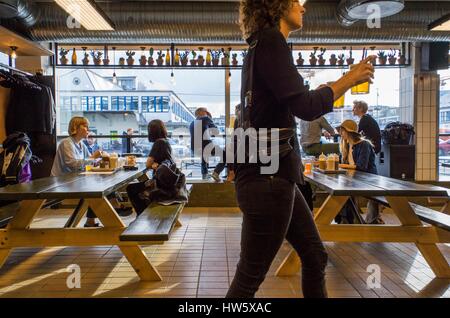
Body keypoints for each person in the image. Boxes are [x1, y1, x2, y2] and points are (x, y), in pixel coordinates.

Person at [228, 0, 375, 298]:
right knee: (250, 276)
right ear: (277, 4)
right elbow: (306, 107)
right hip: (269, 179)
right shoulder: (272, 41)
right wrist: (349, 79)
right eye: (296, 1)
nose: (303, 7)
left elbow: (295, 101)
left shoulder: (259, 45)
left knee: (314, 256)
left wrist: (334, 84)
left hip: (270, 175)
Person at [126, 120, 187, 215]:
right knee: (136, 187)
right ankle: (143, 214)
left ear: (151, 132)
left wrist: (154, 164)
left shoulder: (159, 143)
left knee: (131, 188)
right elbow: (152, 163)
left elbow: (148, 164)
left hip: (163, 187)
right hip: (170, 184)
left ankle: (142, 215)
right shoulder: (165, 141)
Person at [51, 117, 102, 227]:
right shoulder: (66, 143)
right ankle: (114, 207)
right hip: (62, 182)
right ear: (76, 128)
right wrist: (93, 157)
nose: (87, 129)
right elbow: (73, 164)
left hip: (74, 180)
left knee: (100, 186)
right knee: (97, 188)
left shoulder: (81, 144)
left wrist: (98, 161)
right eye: (84, 126)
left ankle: (91, 220)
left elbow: (88, 162)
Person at [337, 119, 383, 224]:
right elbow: (344, 165)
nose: (340, 134)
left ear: (349, 132)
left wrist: (340, 165)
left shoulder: (364, 144)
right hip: (354, 179)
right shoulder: (346, 145)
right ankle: (350, 220)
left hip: (369, 180)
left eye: (342, 131)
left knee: (345, 190)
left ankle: (371, 221)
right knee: (342, 190)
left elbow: (362, 166)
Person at [189, 107, 226, 181]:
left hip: (195, 148)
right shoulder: (205, 118)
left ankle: (204, 175)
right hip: (205, 147)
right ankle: (216, 172)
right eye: (206, 111)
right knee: (225, 155)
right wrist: (209, 117)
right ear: (204, 112)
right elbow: (216, 131)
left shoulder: (192, 123)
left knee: (204, 156)